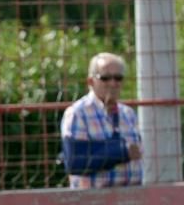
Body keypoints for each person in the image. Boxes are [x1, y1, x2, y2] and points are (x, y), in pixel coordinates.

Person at [60, 52, 143, 189]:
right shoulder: (78, 113)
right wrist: (121, 152)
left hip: (131, 198)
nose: (113, 83)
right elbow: (75, 161)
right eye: (105, 78)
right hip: (92, 201)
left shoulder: (128, 114)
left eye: (118, 78)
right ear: (91, 81)